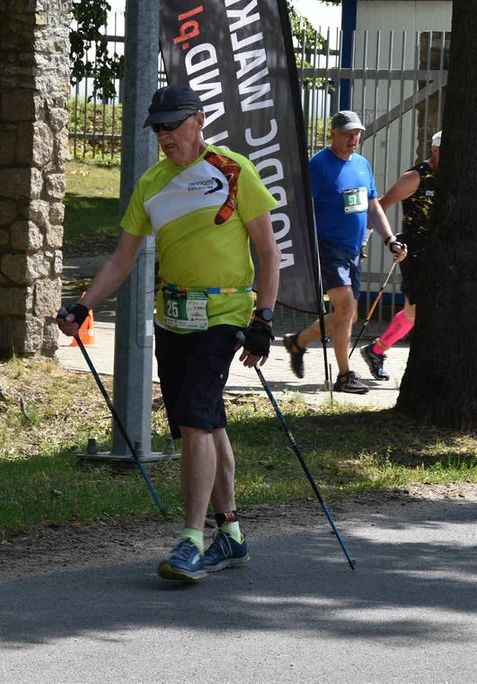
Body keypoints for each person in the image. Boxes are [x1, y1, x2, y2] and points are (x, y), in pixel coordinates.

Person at [57, 84, 280, 581]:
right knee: (205, 422)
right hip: (173, 317)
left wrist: (264, 319)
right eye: (157, 128)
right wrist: (83, 305)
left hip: (225, 315)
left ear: (199, 120)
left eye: (173, 125)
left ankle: (191, 540)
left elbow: (269, 251)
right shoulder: (152, 184)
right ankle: (233, 535)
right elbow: (121, 260)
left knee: (196, 419)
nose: (164, 136)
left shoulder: (233, 171)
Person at [283, 110, 407, 394]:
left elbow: (373, 206)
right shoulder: (318, 165)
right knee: (348, 308)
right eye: (348, 134)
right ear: (333, 133)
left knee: (346, 315)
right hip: (326, 249)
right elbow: (301, 209)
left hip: (353, 251)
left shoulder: (362, 164)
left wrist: (390, 240)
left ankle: (298, 342)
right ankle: (344, 376)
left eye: (357, 134)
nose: (354, 139)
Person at [359, 130, 440, 380]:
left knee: (415, 310)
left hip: (438, 251)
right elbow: (381, 206)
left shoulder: (452, 176)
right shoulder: (416, 176)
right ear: (435, 150)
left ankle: (375, 350)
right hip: (413, 250)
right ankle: (377, 349)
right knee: (418, 310)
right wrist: (363, 240)